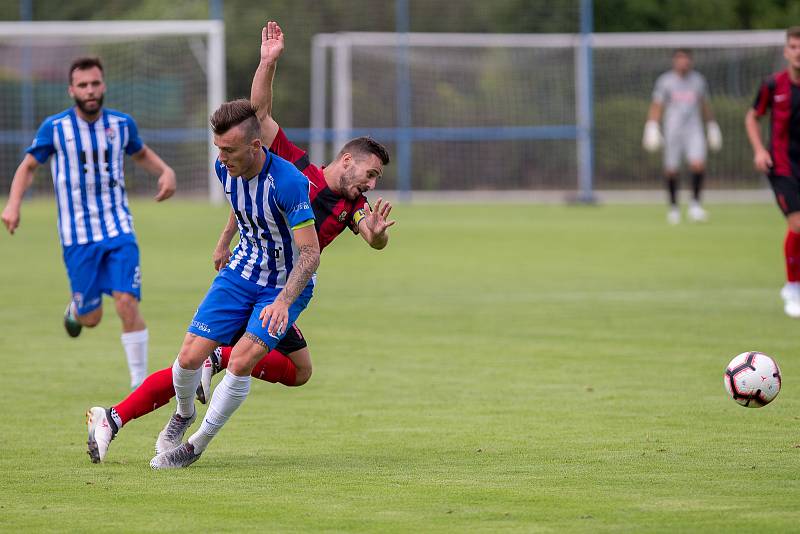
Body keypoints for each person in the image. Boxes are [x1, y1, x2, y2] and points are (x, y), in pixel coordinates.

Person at [86, 20, 395, 465]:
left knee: (300, 370)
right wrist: (268, 62)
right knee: (203, 356)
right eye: (369, 174)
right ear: (346, 160)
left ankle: (208, 371)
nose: (370, 184)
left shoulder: (354, 206)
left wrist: (379, 236)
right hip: (249, 275)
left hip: (284, 287)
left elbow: (369, 237)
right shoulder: (294, 167)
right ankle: (154, 425)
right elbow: (258, 124)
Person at [1, 57, 176, 388]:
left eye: (95, 83)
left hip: (118, 229)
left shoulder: (122, 125)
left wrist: (166, 171)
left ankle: (139, 386)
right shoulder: (55, 128)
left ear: (104, 85)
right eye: (83, 85)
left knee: (127, 302)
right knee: (91, 318)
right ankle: (76, 310)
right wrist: (13, 204)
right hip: (78, 236)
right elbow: (27, 167)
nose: (90, 90)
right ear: (71, 90)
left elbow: (140, 153)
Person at [745, 27, 800, 318]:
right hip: (782, 166)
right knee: (798, 224)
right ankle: (793, 288)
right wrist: (758, 149)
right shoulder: (772, 85)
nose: (798, 52)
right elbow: (752, 117)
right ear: (786, 51)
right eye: (794, 46)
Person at [643, 48, 722, 225]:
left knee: (698, 165)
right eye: (680, 59)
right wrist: (652, 125)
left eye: (686, 59)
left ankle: (695, 205)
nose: (683, 63)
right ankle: (673, 208)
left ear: (690, 61)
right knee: (671, 169)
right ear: (674, 61)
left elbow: (704, 104)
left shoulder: (698, 80)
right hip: (673, 131)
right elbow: (657, 104)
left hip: (694, 130)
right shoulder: (665, 81)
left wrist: (712, 125)